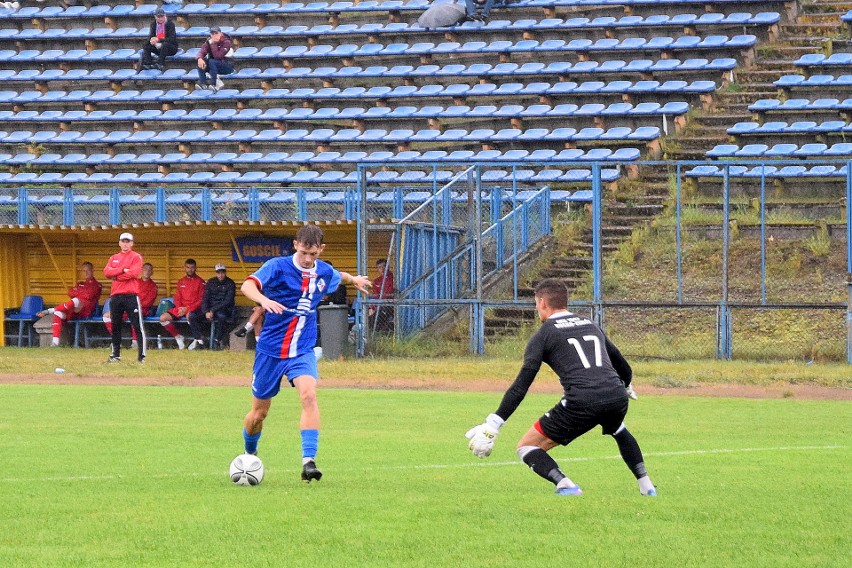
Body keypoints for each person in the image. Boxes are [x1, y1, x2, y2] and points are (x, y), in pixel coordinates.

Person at [465, 278, 656, 497]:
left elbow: (521, 385)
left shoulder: (544, 334)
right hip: (616, 395)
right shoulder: (589, 323)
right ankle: (647, 485)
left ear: (543, 302)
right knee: (618, 429)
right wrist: (627, 385)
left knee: (527, 447)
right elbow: (622, 365)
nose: (537, 308)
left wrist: (493, 424)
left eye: (536, 303)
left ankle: (566, 485)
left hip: (582, 400)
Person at [239, 224, 372, 482]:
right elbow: (247, 286)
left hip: (302, 350)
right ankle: (249, 454)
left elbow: (338, 275)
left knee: (309, 395)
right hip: (271, 351)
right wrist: (264, 300)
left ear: (320, 250)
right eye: (304, 253)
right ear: (295, 245)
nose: (309, 259)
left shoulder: (323, 271)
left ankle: (308, 461)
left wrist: (354, 279)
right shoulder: (277, 266)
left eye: (314, 254)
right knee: (259, 414)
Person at [36, 261, 103, 347]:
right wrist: (81, 292)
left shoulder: (97, 285)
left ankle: (50, 310)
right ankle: (55, 343)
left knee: (76, 300)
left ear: (93, 271)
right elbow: (70, 292)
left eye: (88, 270)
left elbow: (88, 295)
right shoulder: (80, 284)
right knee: (58, 313)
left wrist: (78, 292)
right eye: (84, 271)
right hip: (73, 310)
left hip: (86, 311)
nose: (86, 273)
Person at [103, 233, 146, 363]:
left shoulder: (136, 257)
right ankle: (115, 355)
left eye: (128, 241)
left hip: (131, 295)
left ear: (132, 243)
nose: (126, 244)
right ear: (119, 243)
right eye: (123, 241)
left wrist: (116, 276)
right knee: (115, 325)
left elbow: (133, 273)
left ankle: (141, 356)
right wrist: (122, 270)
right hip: (116, 295)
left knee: (137, 325)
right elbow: (106, 272)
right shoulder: (114, 257)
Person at [103, 262, 157, 349]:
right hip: (128, 307)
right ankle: (116, 341)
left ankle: (135, 343)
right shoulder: (135, 282)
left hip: (142, 309)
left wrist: (131, 306)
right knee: (107, 316)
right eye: (145, 269)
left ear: (152, 272)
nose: (147, 271)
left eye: (149, 270)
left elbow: (148, 302)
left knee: (134, 314)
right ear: (141, 270)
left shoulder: (153, 286)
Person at [159, 258, 206, 350]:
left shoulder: (200, 282)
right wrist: (180, 307)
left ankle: (197, 340)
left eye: (192, 267)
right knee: (163, 318)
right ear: (184, 268)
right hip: (180, 308)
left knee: (191, 316)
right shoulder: (181, 281)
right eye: (188, 267)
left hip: (193, 309)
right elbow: (177, 297)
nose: (190, 269)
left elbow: (201, 300)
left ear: (195, 268)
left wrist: (188, 309)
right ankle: (178, 337)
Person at [188, 263, 236, 350]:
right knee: (192, 316)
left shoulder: (230, 283)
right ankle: (199, 340)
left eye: (222, 272)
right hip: (210, 309)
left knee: (222, 317)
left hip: (223, 309)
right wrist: (206, 311)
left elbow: (228, 301)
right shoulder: (211, 282)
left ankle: (217, 340)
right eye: (218, 272)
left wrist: (212, 310)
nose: (220, 275)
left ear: (225, 272)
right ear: (216, 273)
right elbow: (205, 298)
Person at [195, 26, 234, 92]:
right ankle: (203, 84)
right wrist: (199, 58)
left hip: (227, 66)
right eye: (212, 34)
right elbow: (202, 51)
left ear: (220, 33)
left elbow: (218, 56)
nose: (214, 36)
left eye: (216, 33)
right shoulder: (209, 41)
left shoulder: (226, 42)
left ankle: (214, 84)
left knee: (212, 61)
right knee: (201, 62)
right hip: (214, 66)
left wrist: (214, 44)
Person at [369, 258, 394, 333]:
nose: (382, 269)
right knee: (369, 310)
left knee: (380, 312)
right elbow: (375, 296)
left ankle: (369, 329)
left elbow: (390, 293)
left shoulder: (393, 278)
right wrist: (372, 307)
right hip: (379, 306)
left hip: (389, 304)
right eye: (379, 267)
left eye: (384, 266)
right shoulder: (377, 281)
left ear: (388, 267)